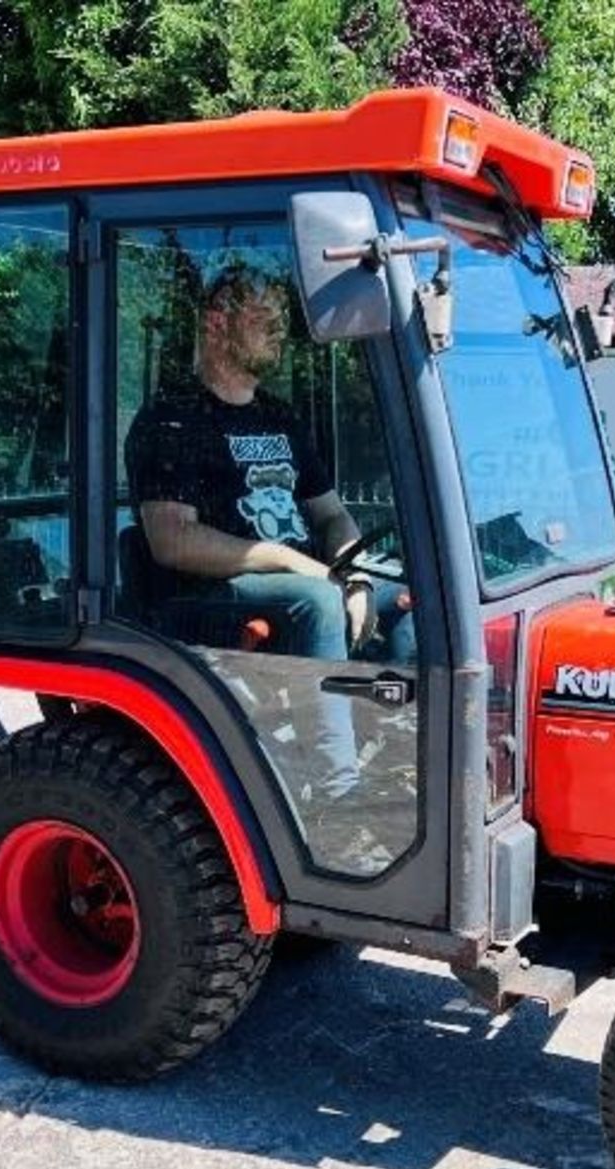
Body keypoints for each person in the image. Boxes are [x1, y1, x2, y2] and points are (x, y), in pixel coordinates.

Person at [126, 260, 412, 814]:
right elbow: (172, 541)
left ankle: (397, 761)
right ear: (215, 323)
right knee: (319, 604)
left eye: (283, 316)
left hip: (304, 578)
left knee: (408, 594)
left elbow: (330, 515)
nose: (280, 328)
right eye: (263, 316)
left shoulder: (281, 419)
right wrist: (298, 565)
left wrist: (353, 570)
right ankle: (339, 800)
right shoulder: (172, 421)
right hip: (206, 594)